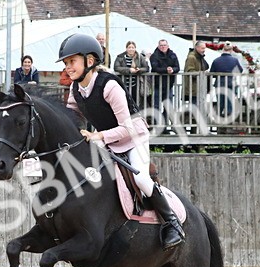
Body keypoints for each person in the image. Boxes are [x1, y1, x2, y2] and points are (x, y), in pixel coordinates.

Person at [59, 32, 183, 249]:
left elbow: (127, 128)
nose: (68, 67)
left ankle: (172, 224)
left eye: (72, 61)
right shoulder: (75, 88)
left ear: (90, 61)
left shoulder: (109, 85)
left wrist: (98, 135)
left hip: (134, 138)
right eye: (66, 63)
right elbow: (72, 116)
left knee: (141, 179)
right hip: (107, 141)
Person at [148, 38, 180, 131]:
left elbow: (177, 67)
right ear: (158, 46)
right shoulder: (154, 56)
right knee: (156, 107)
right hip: (157, 85)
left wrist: (172, 70)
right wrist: (166, 70)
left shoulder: (173, 55)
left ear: (168, 46)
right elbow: (155, 68)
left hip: (169, 85)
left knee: (168, 107)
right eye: (161, 45)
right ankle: (157, 126)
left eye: (164, 45)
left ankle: (164, 126)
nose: (163, 47)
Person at [209, 43, 242, 121]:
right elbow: (240, 71)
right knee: (230, 102)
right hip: (231, 83)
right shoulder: (235, 60)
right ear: (231, 50)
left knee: (220, 102)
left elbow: (212, 73)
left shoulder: (216, 60)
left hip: (219, 83)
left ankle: (219, 119)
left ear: (223, 49)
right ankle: (229, 119)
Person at [112, 40, 150, 106]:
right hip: (123, 83)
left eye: (132, 47)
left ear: (135, 48)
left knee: (135, 102)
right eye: (129, 47)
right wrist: (129, 70)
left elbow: (146, 68)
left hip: (136, 84)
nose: (131, 49)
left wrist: (139, 70)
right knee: (124, 102)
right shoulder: (120, 57)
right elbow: (116, 67)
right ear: (126, 48)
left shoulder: (140, 57)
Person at [182, 40, 209, 131]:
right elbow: (189, 71)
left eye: (204, 48)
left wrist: (202, 58)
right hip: (192, 89)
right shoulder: (192, 57)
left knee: (196, 110)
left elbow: (206, 66)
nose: (204, 50)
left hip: (197, 88)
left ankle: (193, 129)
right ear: (197, 48)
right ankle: (183, 126)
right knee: (194, 110)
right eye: (202, 48)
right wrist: (201, 73)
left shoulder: (198, 57)